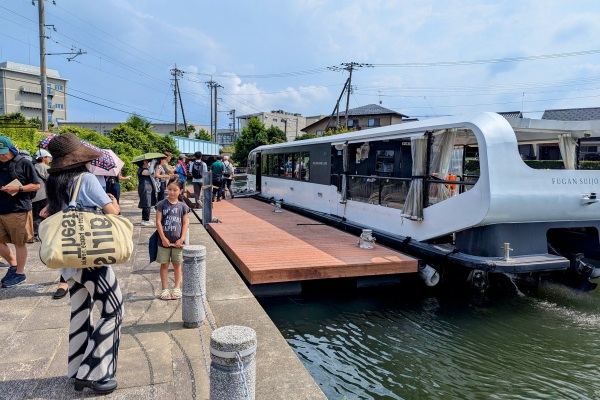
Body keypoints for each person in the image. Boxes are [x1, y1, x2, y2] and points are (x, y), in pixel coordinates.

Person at [42, 133, 122, 394]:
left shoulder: (54, 181)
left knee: (80, 311)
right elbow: (111, 212)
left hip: (68, 260)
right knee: (113, 310)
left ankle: (76, 369)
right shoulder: (86, 179)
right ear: (80, 159)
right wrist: (113, 202)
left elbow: (49, 212)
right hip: (91, 257)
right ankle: (94, 373)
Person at [0, 136, 41, 288]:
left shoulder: (24, 163)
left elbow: (36, 185)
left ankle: (19, 273)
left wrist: (18, 188)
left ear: (11, 149)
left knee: (19, 243)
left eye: (3, 152)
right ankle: (13, 265)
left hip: (18, 209)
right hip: (1, 209)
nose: (1, 155)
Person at [155, 177, 189, 300]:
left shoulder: (183, 206)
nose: (172, 192)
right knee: (164, 264)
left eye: (175, 190)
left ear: (180, 191)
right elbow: (158, 222)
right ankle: (164, 289)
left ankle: (177, 287)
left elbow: (185, 223)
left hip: (178, 242)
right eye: (169, 189)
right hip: (164, 242)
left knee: (177, 265)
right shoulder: (161, 204)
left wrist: (182, 238)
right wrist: (163, 237)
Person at [136, 159, 156, 226]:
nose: (148, 162)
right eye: (147, 161)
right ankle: (145, 220)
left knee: (148, 204)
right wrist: (152, 164)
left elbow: (153, 173)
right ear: (143, 162)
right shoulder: (141, 170)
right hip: (144, 188)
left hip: (148, 188)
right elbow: (150, 172)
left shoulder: (146, 169)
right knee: (146, 203)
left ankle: (145, 219)